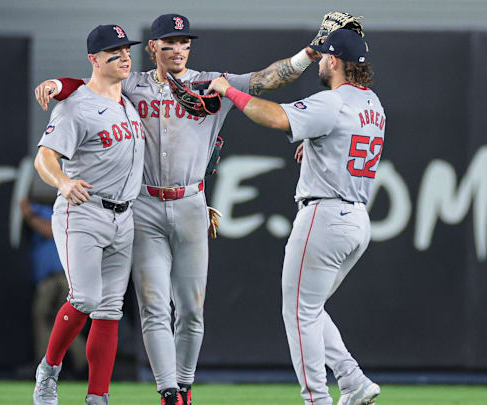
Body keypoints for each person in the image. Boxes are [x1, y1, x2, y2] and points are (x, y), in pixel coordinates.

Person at [34, 13, 320, 405]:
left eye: (184, 42)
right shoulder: (132, 83)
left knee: (191, 310)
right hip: (144, 205)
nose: (178, 49)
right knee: (152, 305)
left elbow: (264, 80)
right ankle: (167, 391)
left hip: (190, 202)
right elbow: (87, 88)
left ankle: (183, 386)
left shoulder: (210, 83)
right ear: (153, 48)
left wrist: (306, 55)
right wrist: (57, 83)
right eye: (169, 42)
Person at [207, 28, 385, 405]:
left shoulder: (332, 102)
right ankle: (352, 380)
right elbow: (343, 138)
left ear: (334, 61)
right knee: (311, 307)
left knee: (299, 313)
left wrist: (229, 91)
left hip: (325, 216)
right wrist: (316, 144)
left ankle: (316, 399)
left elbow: (274, 117)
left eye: (323, 57)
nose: (320, 62)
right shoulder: (373, 104)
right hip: (357, 219)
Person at [32, 23, 144, 405]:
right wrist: (62, 183)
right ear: (94, 60)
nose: (125, 56)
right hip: (83, 211)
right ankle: (48, 371)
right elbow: (43, 158)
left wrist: (61, 81)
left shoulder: (128, 100)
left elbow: (72, 80)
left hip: (123, 216)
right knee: (84, 299)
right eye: (115, 51)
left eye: (127, 49)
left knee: (110, 310)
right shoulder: (76, 104)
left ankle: (98, 396)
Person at [20, 193, 87, 378]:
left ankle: (82, 363)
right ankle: (47, 365)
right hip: (47, 278)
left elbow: (50, 230)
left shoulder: (68, 207)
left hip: (66, 276)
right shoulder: (39, 208)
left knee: (65, 320)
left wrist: (30, 216)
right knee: (44, 317)